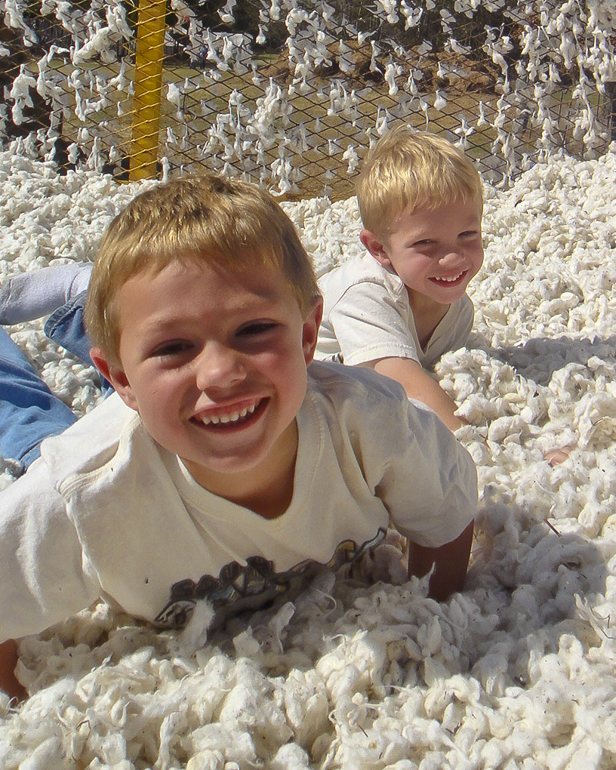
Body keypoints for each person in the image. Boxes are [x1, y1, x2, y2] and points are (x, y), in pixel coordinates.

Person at [0, 174, 477, 700]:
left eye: (253, 331)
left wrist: (430, 616)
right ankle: (69, 313)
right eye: (174, 347)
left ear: (307, 336)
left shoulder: (372, 423)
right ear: (121, 381)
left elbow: (446, 514)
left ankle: (101, 317)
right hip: (118, 435)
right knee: (36, 433)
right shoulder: (83, 493)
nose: (221, 373)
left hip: (157, 405)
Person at [316, 126, 484, 432]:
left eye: (467, 235)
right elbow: (403, 383)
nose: (452, 258)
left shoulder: (460, 312)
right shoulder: (366, 294)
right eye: (425, 243)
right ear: (379, 249)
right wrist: (477, 445)